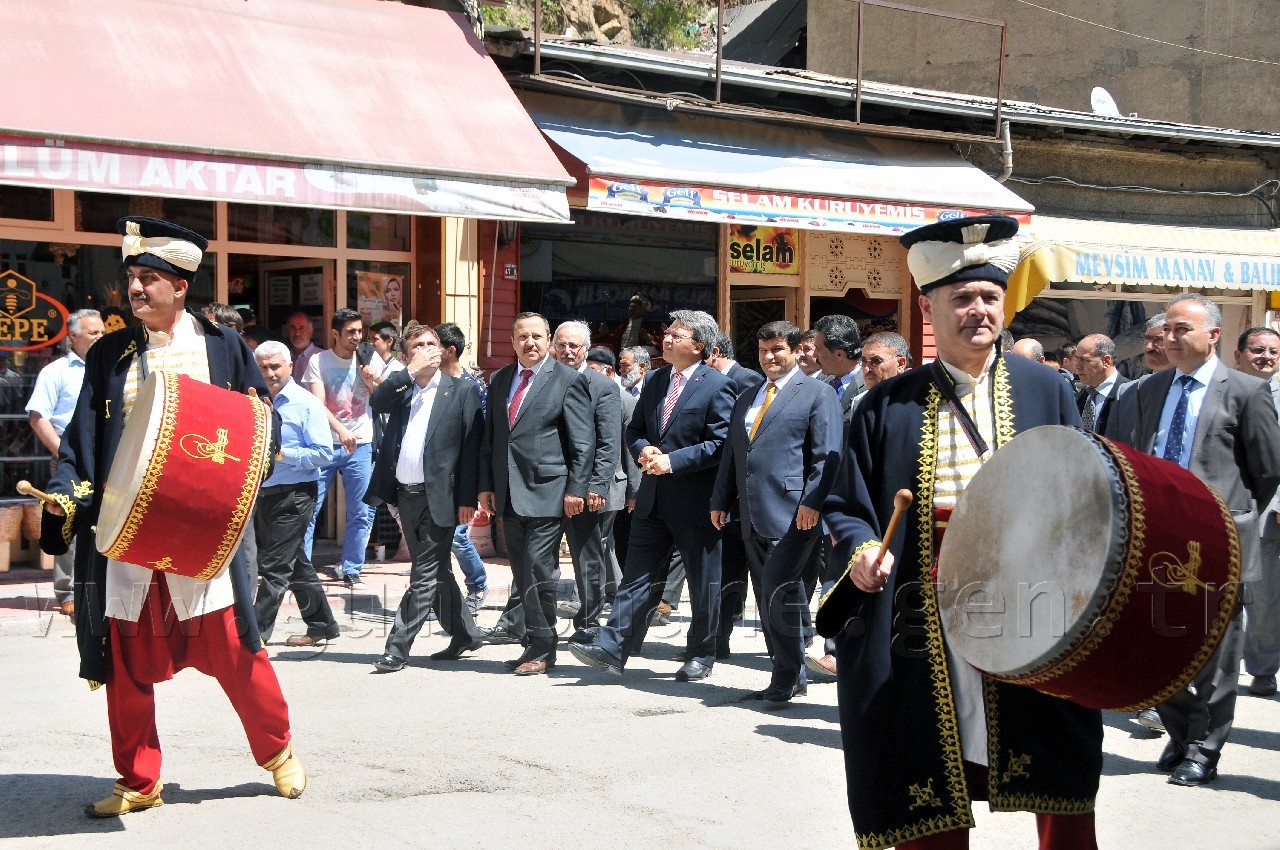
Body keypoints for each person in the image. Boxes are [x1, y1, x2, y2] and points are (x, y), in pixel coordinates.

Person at [821, 214, 1101, 849]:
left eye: (990, 297)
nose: (980, 310)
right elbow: (846, 502)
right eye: (962, 299)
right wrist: (865, 547)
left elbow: (1083, 491)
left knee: (1052, 750)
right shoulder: (885, 404)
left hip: (1031, 607)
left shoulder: (1048, 389)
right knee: (924, 758)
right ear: (928, 307)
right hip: (922, 609)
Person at [39, 216, 303, 817]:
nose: (136, 290)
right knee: (124, 658)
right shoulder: (109, 353)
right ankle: (139, 779)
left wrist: (250, 466)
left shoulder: (222, 346)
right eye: (132, 278)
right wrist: (65, 494)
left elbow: (260, 423)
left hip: (201, 532)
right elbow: (81, 442)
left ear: (181, 285)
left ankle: (278, 752)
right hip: (126, 533)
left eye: (149, 278)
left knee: (236, 650)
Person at [1130, 295, 1280, 786]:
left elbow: (1268, 469)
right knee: (1156, 644)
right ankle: (1180, 729)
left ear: (1213, 335)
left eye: (1180, 330)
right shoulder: (1151, 389)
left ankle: (1204, 748)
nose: (1168, 339)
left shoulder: (1244, 391)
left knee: (1217, 651)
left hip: (1220, 542)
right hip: (1159, 540)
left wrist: (1229, 512)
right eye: (1165, 330)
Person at [569, 310, 734, 682]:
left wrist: (672, 460)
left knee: (702, 578)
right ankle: (612, 647)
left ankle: (701, 652)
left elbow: (720, 444)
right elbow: (637, 429)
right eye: (668, 333)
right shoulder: (657, 380)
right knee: (637, 576)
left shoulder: (716, 385)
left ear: (700, 346)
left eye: (677, 334)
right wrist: (644, 450)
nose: (668, 339)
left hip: (696, 501)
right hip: (653, 497)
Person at [711, 321, 842, 703]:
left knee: (777, 590)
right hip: (751, 511)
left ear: (799, 350)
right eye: (764, 349)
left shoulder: (817, 394)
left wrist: (813, 502)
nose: (770, 357)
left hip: (795, 512)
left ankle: (785, 677)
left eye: (778, 349)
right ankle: (791, 671)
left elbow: (826, 456)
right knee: (776, 593)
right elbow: (733, 455)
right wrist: (721, 500)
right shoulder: (748, 396)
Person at [478, 312, 592, 675]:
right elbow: (491, 438)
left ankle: (544, 647)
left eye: (537, 337)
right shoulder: (500, 381)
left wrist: (577, 488)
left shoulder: (567, 380)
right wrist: (486, 484)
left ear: (548, 341)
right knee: (521, 570)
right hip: (508, 492)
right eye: (522, 337)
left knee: (539, 567)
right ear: (512, 342)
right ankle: (533, 642)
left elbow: (582, 442)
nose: (530, 343)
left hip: (549, 490)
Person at [366, 324, 485, 672]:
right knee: (437, 573)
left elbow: (470, 448)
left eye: (432, 343)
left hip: (442, 498)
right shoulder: (402, 389)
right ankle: (466, 634)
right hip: (406, 495)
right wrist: (409, 373)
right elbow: (377, 400)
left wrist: (467, 498)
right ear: (406, 356)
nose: (428, 349)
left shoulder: (460, 390)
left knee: (424, 573)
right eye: (418, 345)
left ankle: (397, 648)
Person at [251, 341, 340, 648]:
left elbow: (323, 454)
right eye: (263, 367)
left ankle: (253, 636)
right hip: (263, 493)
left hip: (297, 494)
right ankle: (321, 625)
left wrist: (281, 454)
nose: (269, 373)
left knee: (274, 567)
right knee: (295, 562)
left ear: (290, 366)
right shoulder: (253, 400)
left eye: (275, 366)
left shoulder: (306, 403)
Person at [26, 308, 105, 617]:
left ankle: (98, 585)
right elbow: (38, 418)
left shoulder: (109, 369)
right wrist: (66, 454)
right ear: (73, 336)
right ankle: (67, 591)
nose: (100, 337)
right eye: (93, 333)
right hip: (69, 461)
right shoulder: (56, 371)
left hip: (104, 459)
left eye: (102, 332)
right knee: (66, 521)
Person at [552, 322, 621, 645]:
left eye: (574, 346)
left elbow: (609, 442)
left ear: (585, 349)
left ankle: (590, 621)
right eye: (562, 344)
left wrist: (597, 486)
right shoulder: (544, 380)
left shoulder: (601, 386)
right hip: (544, 486)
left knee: (587, 558)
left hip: (585, 489)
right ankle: (524, 620)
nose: (567, 351)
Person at [302, 309, 377, 589]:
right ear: (336, 334)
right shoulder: (318, 361)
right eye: (351, 332)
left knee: (361, 510)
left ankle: (352, 569)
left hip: (361, 444)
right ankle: (304, 570)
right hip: (325, 444)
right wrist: (341, 430)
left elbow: (380, 399)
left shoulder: (368, 359)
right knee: (311, 507)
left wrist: (371, 381)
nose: (357, 337)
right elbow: (318, 404)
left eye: (360, 331)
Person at [1234, 327, 1280, 698]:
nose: (1266, 357)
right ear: (1239, 354)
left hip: (1269, 510)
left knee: (1263, 596)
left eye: (1273, 352)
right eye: (1257, 350)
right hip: (1227, 504)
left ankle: (1262, 667)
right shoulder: (1223, 389)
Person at [436, 322, 489, 613]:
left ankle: (478, 583)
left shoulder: (473, 388)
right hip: (435, 476)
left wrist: (480, 484)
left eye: (434, 347)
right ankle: (439, 595)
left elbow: (480, 440)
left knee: (456, 536)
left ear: (450, 350)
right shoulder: (430, 385)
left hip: (463, 477)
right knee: (438, 537)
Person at [1072, 333, 1130, 434]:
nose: (1077, 366)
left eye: (1084, 360)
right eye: (1077, 359)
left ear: (1106, 361)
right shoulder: (1084, 395)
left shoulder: (1129, 394)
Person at [284, 310, 322, 382]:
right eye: (293, 327)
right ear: (287, 330)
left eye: (301, 328)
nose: (297, 333)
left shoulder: (322, 357)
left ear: (311, 331)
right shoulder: (283, 357)